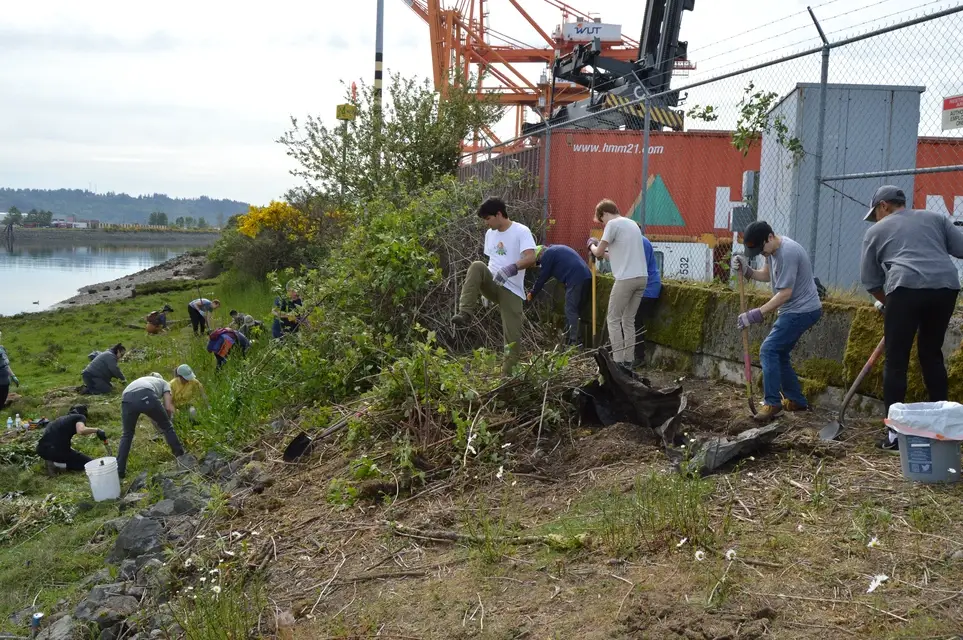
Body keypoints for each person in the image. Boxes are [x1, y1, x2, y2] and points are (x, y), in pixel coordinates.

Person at [860, 185, 963, 450]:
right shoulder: (936, 218)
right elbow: (960, 248)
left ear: (884, 205)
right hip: (945, 288)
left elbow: (871, 282)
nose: (877, 219)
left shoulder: (875, 231)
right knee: (930, 353)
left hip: (904, 289)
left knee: (896, 359)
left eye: (876, 213)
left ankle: (895, 435)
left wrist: (889, 303)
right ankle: (941, 427)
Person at [732, 220, 822, 421]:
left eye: (762, 250)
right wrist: (747, 270)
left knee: (769, 349)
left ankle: (772, 403)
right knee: (779, 354)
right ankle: (796, 400)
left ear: (770, 237)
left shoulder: (787, 252)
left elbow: (785, 294)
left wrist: (755, 314)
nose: (762, 255)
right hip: (794, 309)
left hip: (802, 310)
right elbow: (766, 275)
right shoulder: (772, 251)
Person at [451, 197, 537, 375]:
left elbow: (531, 257)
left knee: (512, 339)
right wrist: (484, 288)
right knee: (477, 266)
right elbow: (492, 260)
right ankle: (465, 312)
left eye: (488, 218)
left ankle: (507, 377)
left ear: (499, 214)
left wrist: (512, 267)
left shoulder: (521, 231)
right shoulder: (490, 234)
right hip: (493, 282)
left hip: (512, 289)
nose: (486, 223)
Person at [587, 199, 647, 369]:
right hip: (642, 277)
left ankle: (618, 362)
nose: (603, 224)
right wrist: (601, 251)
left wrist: (591, 244)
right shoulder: (633, 225)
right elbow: (613, 255)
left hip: (625, 279)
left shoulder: (612, 225)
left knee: (613, 319)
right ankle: (629, 362)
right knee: (628, 320)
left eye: (601, 221)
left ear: (604, 214)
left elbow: (598, 253)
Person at [117, 373, 185, 479]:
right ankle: (181, 457)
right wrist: (168, 419)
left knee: (127, 434)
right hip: (145, 394)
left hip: (127, 397)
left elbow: (152, 415)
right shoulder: (164, 383)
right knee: (168, 427)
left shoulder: (142, 379)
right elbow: (168, 407)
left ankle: (119, 470)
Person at [527, 244, 592, 346]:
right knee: (575, 311)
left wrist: (532, 293)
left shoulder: (547, 255)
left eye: (538, 262)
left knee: (570, 310)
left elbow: (542, 277)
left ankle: (575, 342)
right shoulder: (555, 251)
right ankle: (570, 339)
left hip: (576, 279)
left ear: (539, 255)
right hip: (586, 276)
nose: (540, 264)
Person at [35, 404, 107, 475]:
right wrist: (97, 430)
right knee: (88, 463)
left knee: (71, 455)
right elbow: (81, 431)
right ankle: (56, 466)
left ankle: (53, 462)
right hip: (55, 450)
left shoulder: (59, 420)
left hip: (42, 450)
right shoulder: (80, 417)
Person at [634, 235, 662, 366]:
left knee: (634, 320)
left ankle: (639, 358)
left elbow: (640, 267)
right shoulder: (636, 241)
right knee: (631, 320)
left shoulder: (641, 242)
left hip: (648, 290)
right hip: (644, 288)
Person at [0, 331, 20, 410]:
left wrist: (13, 375)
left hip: (5, 382)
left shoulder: (2, 348)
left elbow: (6, 365)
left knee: (1, 404)